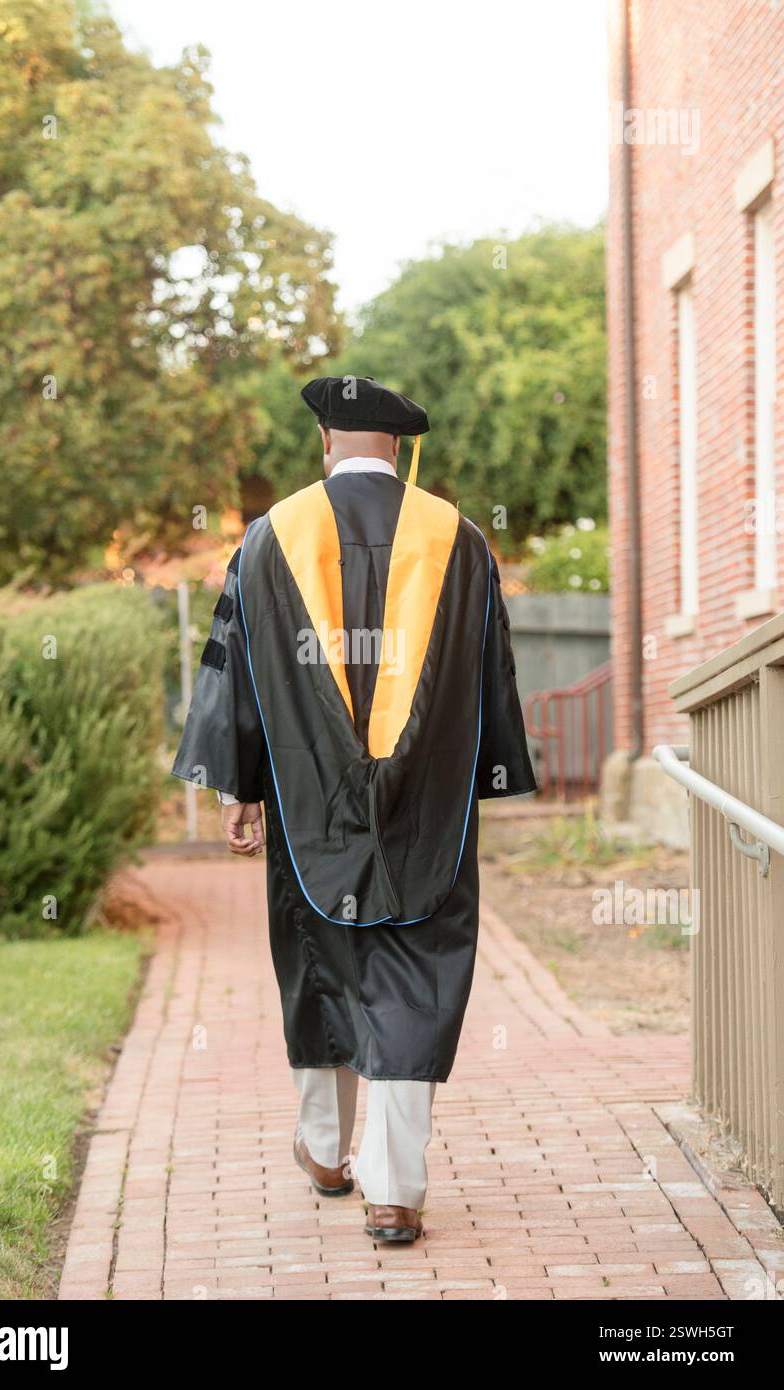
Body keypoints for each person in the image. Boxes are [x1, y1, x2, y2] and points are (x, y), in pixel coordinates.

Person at [173, 374, 537, 1243]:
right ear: (400, 450)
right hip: (429, 811)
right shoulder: (459, 537)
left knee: (320, 963)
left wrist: (238, 788)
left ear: (326, 444)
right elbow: (490, 681)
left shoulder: (268, 539)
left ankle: (327, 1150)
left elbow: (240, 674)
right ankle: (395, 1192)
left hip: (308, 807)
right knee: (414, 979)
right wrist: (483, 778)